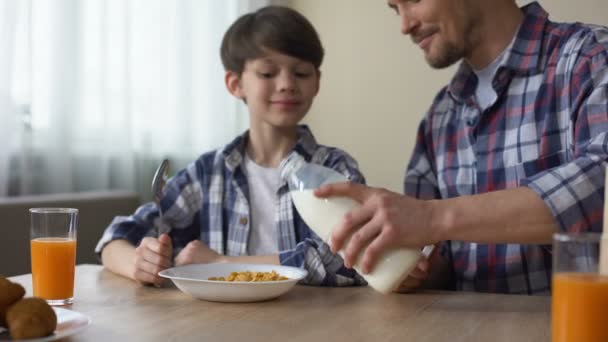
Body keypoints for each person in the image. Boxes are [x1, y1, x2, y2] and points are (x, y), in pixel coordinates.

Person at [316, 0, 608, 294]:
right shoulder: (439, 117)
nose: (405, 26)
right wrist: (412, 269)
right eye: (395, 9)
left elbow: (603, 183)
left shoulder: (591, 57)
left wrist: (432, 217)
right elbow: (436, 261)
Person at [96, 5, 366, 287]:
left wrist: (222, 264)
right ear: (235, 83)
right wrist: (139, 263)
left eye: (301, 73)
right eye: (267, 73)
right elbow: (116, 238)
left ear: (317, 82)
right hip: (221, 325)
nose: (287, 84)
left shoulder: (334, 168)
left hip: (316, 324)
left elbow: (348, 259)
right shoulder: (208, 173)